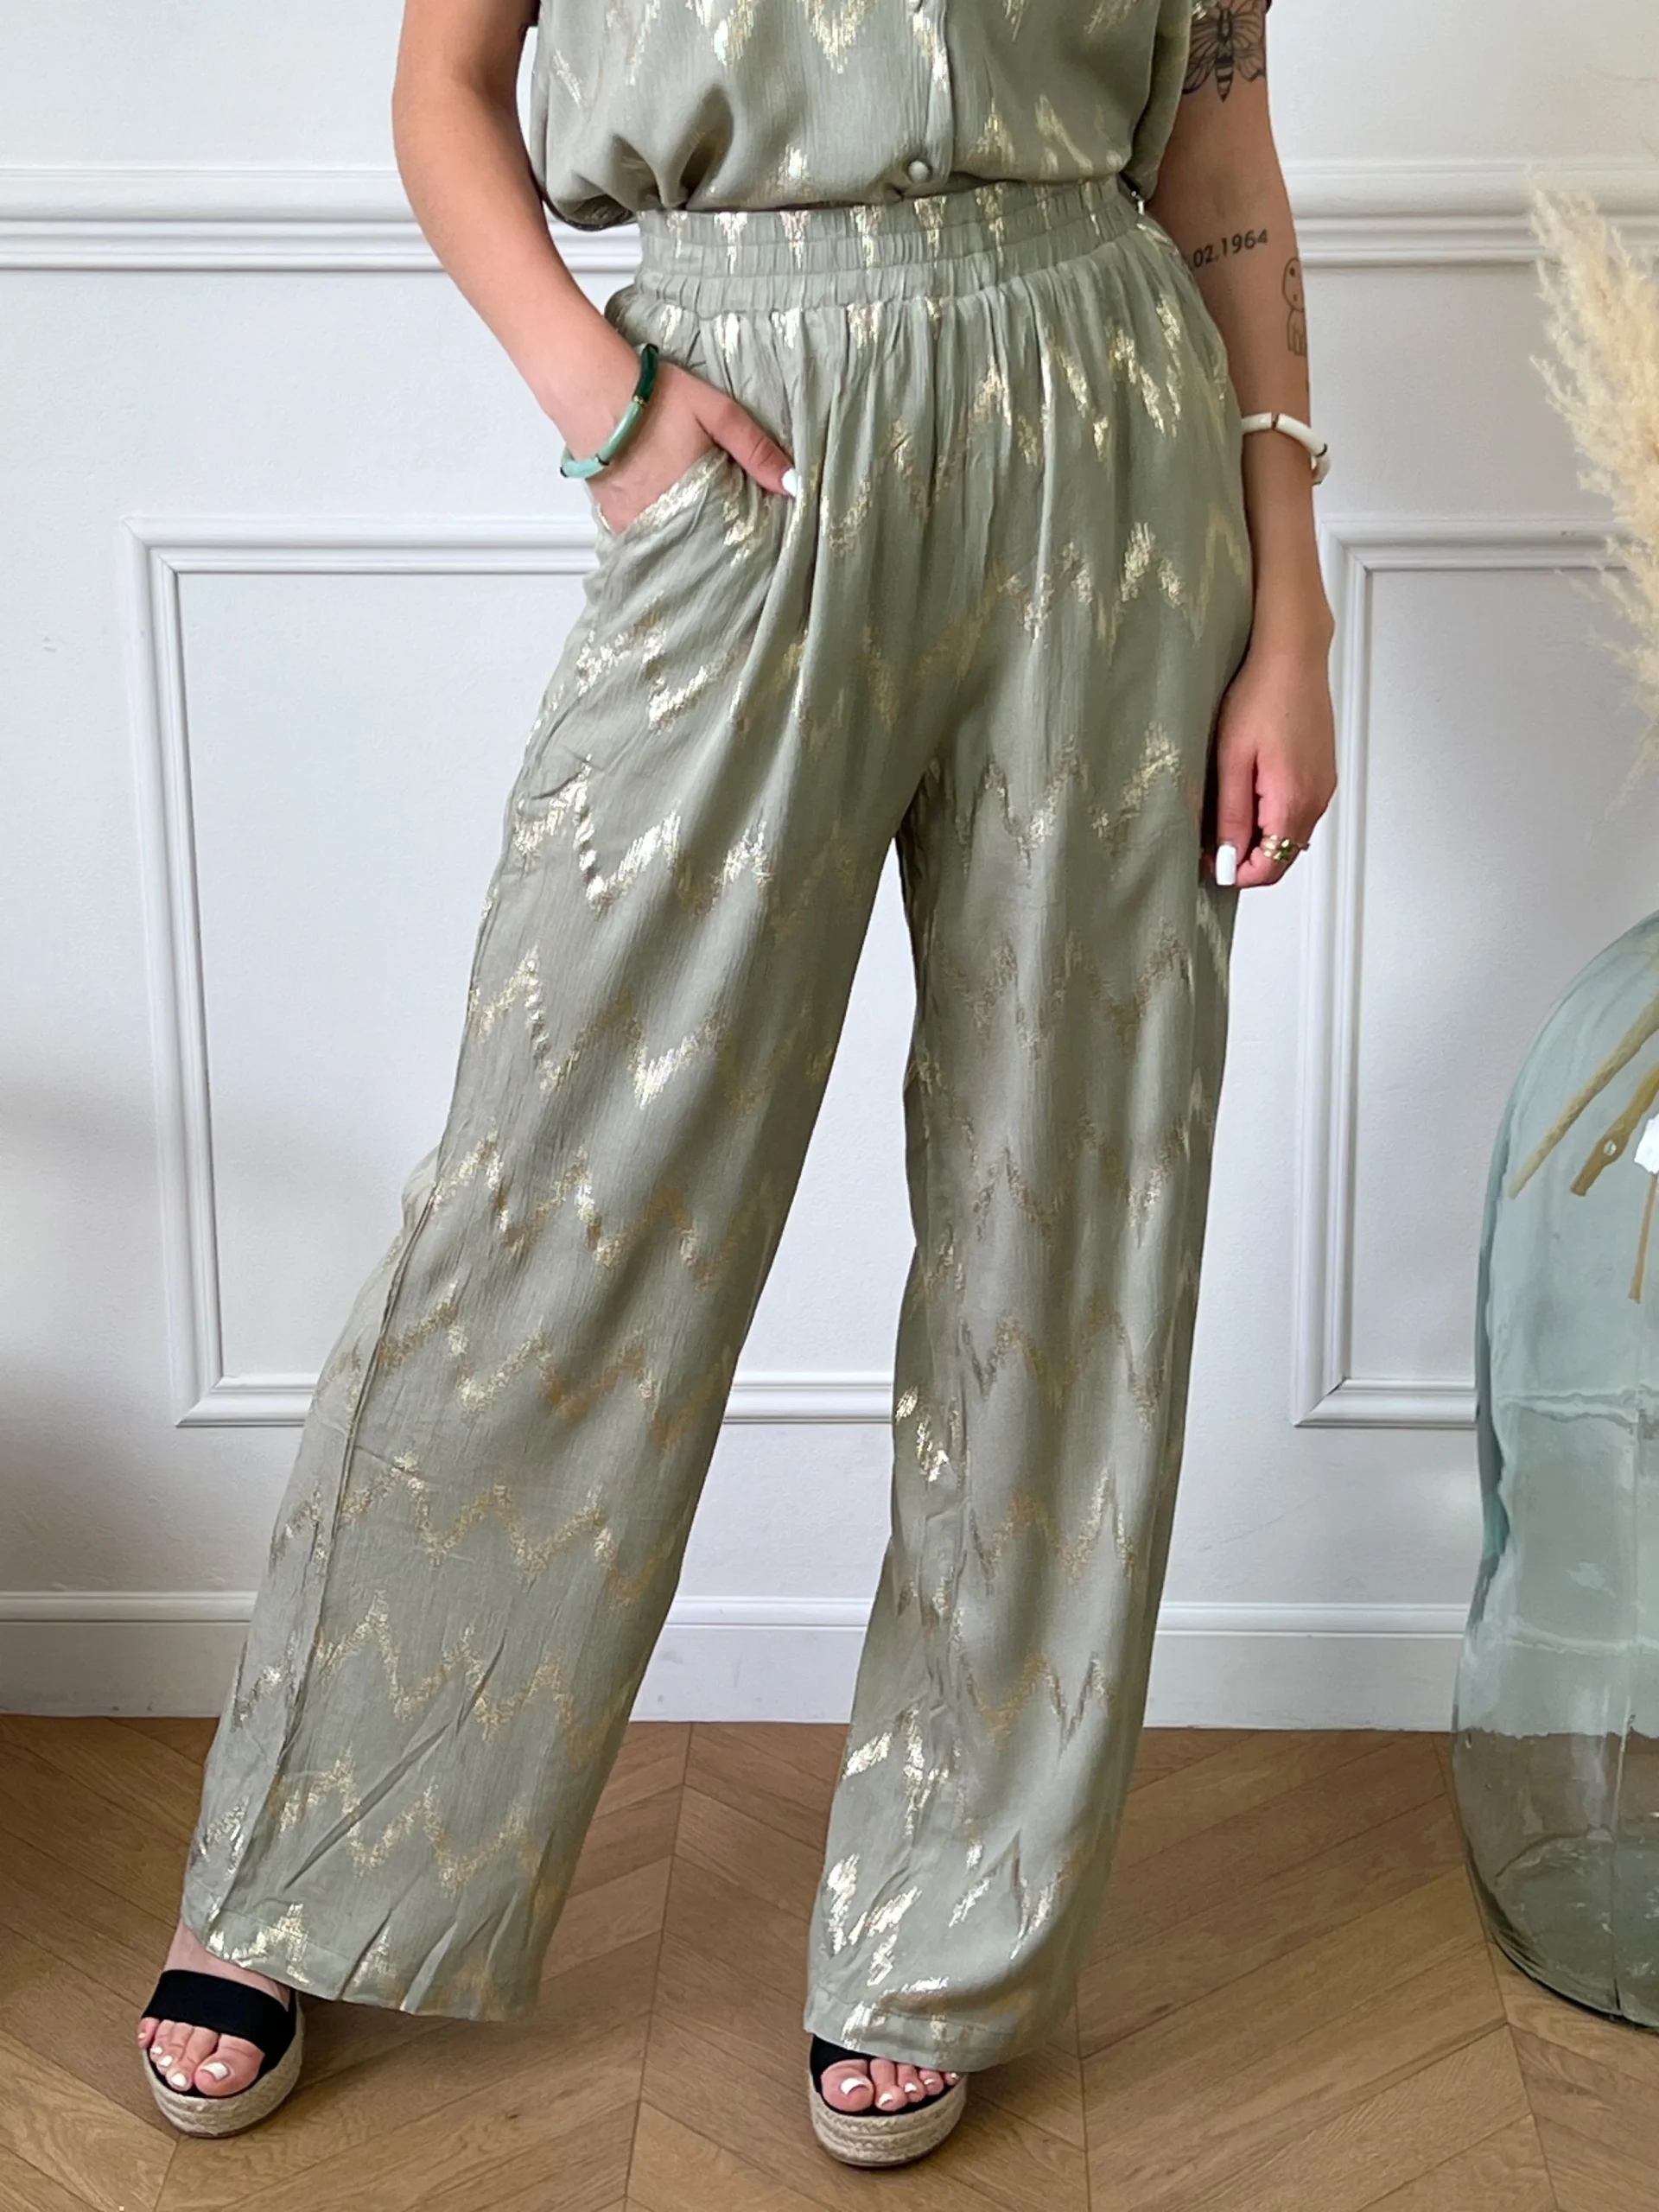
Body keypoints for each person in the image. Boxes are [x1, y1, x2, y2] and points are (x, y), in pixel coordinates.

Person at [135, 0, 1337, 2169]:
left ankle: (938, 1929)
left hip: (1113, 442)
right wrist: (602, 401)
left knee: (1069, 1205)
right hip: (754, 425)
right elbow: (443, 85)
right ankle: (309, 1860)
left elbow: (1222, 154)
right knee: (566, 1172)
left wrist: (1294, 608)